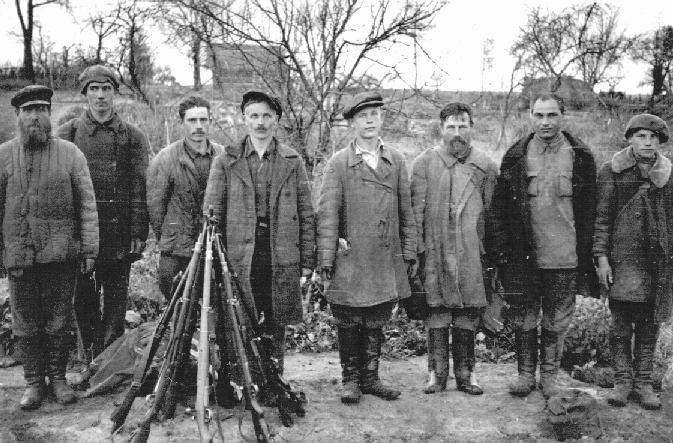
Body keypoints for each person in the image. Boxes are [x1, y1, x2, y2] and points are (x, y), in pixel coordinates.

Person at [486, 92, 599, 399]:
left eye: (552, 115)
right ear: (530, 117)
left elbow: (592, 211)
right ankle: (524, 375)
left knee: (557, 317)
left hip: (565, 258)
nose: (545, 122)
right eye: (539, 115)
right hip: (525, 257)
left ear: (563, 116)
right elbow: (498, 210)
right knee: (523, 316)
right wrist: (502, 252)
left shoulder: (581, 156)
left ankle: (548, 376)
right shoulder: (516, 155)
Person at [203, 90, 315, 375]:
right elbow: (212, 214)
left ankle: (273, 379)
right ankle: (244, 379)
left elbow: (305, 213)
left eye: (266, 116)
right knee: (239, 314)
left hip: (278, 251)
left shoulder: (292, 161)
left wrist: (307, 260)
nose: (260, 123)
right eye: (254, 116)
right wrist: (215, 258)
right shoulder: (226, 161)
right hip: (240, 253)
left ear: (276, 119)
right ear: (244, 120)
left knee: (276, 316)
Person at [317, 91, 417, 404]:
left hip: (383, 255)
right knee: (348, 318)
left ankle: (371, 378)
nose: (370, 120)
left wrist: (410, 250)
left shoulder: (397, 160)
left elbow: (407, 211)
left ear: (383, 118)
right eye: (362, 116)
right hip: (351, 255)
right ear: (352, 123)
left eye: (375, 114)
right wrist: (326, 259)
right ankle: (350, 380)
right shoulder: (339, 164)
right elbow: (327, 214)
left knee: (376, 317)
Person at [2, 85, 99, 409]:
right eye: (28, 110)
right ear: (18, 115)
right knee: (25, 321)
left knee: (59, 319)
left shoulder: (70, 154)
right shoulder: (3, 155)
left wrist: (89, 250)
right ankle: (33, 383)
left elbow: (87, 205)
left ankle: (57, 379)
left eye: (41, 109)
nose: (35, 116)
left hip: (60, 255)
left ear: (49, 114)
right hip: (20, 255)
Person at [57, 65, 149, 358]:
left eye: (106, 89)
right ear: (85, 94)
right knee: (82, 299)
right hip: (82, 235)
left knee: (115, 302)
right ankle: (89, 359)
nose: (100, 96)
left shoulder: (133, 137)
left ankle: (111, 360)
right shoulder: (67, 134)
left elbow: (139, 188)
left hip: (118, 233)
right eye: (93, 90)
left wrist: (137, 231)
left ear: (115, 93)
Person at [410, 102, 498, 395]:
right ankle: (437, 373)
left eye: (463, 126)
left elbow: (492, 215)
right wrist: (419, 253)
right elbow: (415, 213)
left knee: (467, 311)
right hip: (434, 252)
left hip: (472, 252)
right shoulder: (424, 163)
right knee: (436, 309)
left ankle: (466, 372)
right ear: (441, 129)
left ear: (472, 128)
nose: (457, 133)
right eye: (451, 127)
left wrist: (488, 254)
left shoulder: (486, 166)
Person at [594, 114, 673, 410]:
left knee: (649, 324)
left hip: (657, 264)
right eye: (641, 136)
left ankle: (643, 383)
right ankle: (622, 381)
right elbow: (601, 221)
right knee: (620, 324)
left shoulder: (669, 174)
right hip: (621, 261)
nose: (648, 142)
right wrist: (602, 260)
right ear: (629, 139)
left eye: (653, 137)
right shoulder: (611, 171)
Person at [147, 96, 224, 299]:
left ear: (210, 121)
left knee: (216, 308)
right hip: (176, 252)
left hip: (214, 248)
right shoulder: (165, 159)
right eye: (192, 120)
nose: (198, 126)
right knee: (177, 308)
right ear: (182, 123)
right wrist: (173, 236)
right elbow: (156, 210)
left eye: (203, 120)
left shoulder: (223, 156)